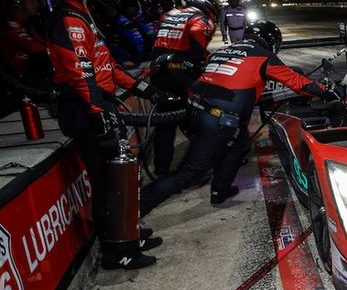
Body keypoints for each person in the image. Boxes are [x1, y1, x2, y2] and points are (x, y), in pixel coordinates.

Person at [47, 0, 172, 269]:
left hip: (98, 103)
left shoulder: (85, 14)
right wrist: (97, 111)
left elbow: (108, 67)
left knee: (123, 173)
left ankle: (129, 233)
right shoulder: (68, 18)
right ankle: (116, 251)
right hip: (85, 108)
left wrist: (147, 89)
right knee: (106, 181)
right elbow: (80, 72)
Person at [139, 20, 335, 216]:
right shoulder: (264, 56)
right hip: (218, 120)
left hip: (195, 111)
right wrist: (329, 92)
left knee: (239, 142)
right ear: (272, 41)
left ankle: (220, 190)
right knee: (189, 174)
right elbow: (298, 83)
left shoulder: (223, 50)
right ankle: (134, 212)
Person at [147, 0, 218, 175]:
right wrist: (200, 57)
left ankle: (162, 167)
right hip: (180, 73)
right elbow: (195, 32)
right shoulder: (201, 18)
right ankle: (199, 163)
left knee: (165, 121)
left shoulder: (170, 14)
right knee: (200, 114)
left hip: (158, 71)